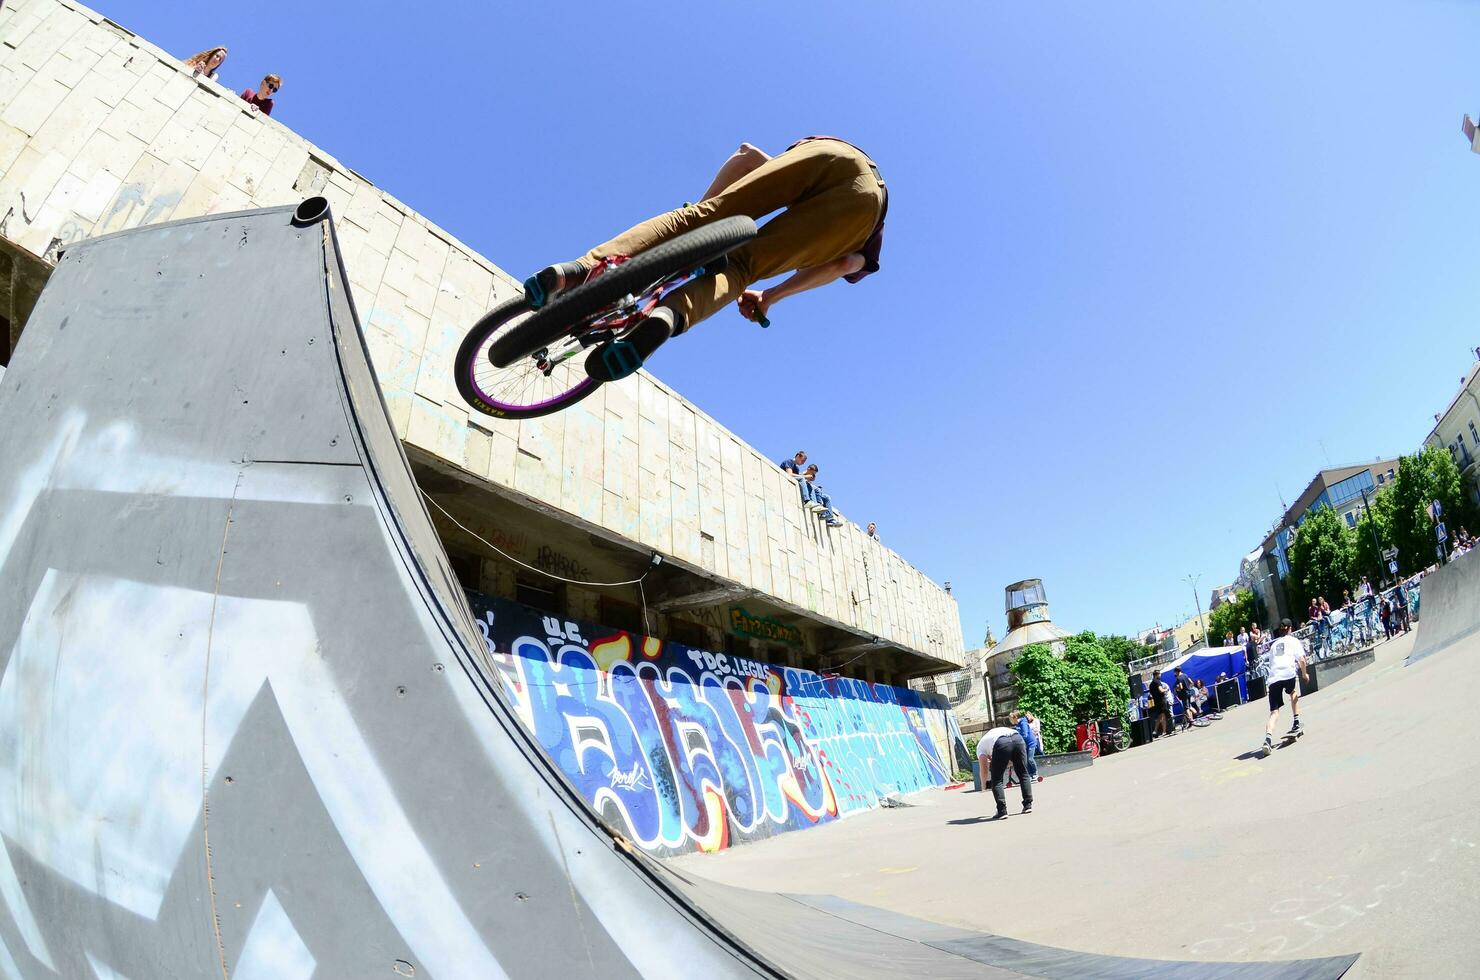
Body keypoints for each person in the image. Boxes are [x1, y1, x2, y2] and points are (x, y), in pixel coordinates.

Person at [529, 137, 888, 381]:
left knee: (699, 217)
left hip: (830, 151)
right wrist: (769, 297)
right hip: (864, 207)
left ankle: (576, 272)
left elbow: (748, 154)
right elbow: (846, 264)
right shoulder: (868, 239)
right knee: (743, 267)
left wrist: (700, 215)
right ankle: (668, 317)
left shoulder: (822, 152)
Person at [1259, 619, 1309, 757]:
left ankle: (1267, 739)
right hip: (1287, 674)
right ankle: (1296, 721)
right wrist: (1304, 674)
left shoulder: (1274, 645)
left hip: (1274, 678)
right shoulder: (1293, 641)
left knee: (1274, 712)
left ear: (1280, 630)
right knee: (1292, 692)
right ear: (1290, 629)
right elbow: (1302, 660)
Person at [977, 724, 1033, 819]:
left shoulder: (980, 747)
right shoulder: (990, 739)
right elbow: (1010, 762)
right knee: (1023, 773)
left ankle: (1002, 810)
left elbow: (984, 769)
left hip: (1001, 742)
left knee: (997, 779)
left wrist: (983, 786)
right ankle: (1028, 804)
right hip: (1018, 738)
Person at [1012, 710, 1039, 783]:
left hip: (1031, 742)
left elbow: (1025, 735)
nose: (1011, 721)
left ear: (1015, 717)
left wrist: (1018, 739)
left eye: (1011, 719)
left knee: (1030, 759)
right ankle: (1030, 775)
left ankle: (1035, 774)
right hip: (1025, 744)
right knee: (1026, 760)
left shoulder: (1023, 723)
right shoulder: (1017, 725)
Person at [1149, 674, 1173, 739]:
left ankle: (1156, 731)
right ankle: (1167, 730)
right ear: (1157, 675)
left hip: (1156, 702)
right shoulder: (1157, 682)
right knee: (1166, 716)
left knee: (1160, 716)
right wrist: (1165, 689)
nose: (1160, 676)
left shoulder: (1151, 684)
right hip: (1161, 701)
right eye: (1159, 674)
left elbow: (1151, 694)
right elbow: (1161, 690)